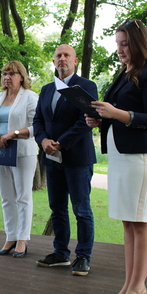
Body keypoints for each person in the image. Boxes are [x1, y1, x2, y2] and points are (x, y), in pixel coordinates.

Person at [87, 19, 147, 294]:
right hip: (121, 155)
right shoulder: (125, 74)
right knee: (128, 221)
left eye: (125, 44)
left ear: (138, 43)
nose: (120, 49)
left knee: (142, 221)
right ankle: (128, 285)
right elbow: (117, 114)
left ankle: (138, 287)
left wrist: (116, 113)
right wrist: (99, 118)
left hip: (140, 157)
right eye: (117, 44)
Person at [33, 44, 98, 276]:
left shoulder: (86, 86)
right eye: (58, 56)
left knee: (81, 209)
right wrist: (43, 141)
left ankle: (83, 257)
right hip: (52, 158)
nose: (62, 59)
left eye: (66, 55)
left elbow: (86, 120)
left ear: (75, 60)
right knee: (57, 208)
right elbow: (38, 120)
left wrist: (60, 142)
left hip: (77, 158)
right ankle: (60, 253)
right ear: (53, 62)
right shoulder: (47, 89)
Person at [0, 61, 39, 258]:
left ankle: (23, 239)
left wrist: (13, 134)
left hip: (23, 152)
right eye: (4, 73)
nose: (7, 76)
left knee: (23, 197)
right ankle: (11, 236)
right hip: (0, 152)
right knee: (6, 197)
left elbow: (36, 127)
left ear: (21, 76)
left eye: (12, 73)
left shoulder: (31, 98)